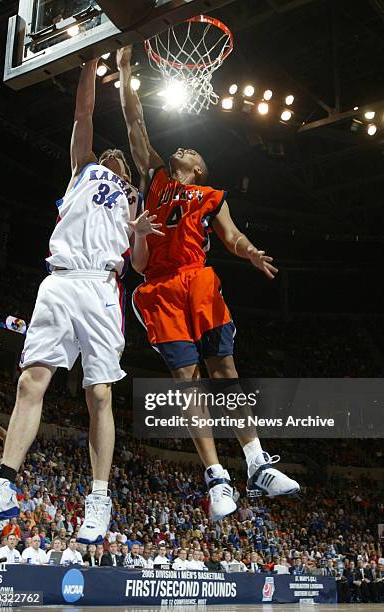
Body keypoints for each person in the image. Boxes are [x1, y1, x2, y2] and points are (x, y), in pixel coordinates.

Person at [0, 56, 161, 544]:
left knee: (98, 394)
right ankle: (3, 485)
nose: (115, 163)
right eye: (111, 159)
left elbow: (140, 265)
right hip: (59, 281)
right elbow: (84, 113)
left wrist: (139, 233)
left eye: (121, 163)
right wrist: (90, 62)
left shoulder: (135, 201)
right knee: (29, 382)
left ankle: (99, 500)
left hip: (101, 287)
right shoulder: (83, 171)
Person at [117, 45, 299, 522]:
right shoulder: (155, 175)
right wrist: (123, 71)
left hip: (199, 281)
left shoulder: (209, 195)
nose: (183, 148)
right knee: (189, 382)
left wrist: (251, 252)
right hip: (160, 287)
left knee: (226, 373)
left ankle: (257, 461)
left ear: (198, 170)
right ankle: (218, 478)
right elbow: (136, 126)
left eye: (192, 152)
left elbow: (233, 236)